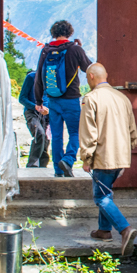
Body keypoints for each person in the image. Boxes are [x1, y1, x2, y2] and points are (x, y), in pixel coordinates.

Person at [78, 62, 137, 256]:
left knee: (101, 197)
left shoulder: (91, 99)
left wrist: (86, 158)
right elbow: (132, 130)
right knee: (106, 190)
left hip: (104, 156)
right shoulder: (122, 98)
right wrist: (129, 148)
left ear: (91, 77)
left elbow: (89, 133)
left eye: (87, 78)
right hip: (121, 155)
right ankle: (104, 231)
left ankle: (124, 229)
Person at [33, 20, 92, 178]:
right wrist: (80, 49)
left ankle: (58, 170)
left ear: (53, 33)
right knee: (75, 133)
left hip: (52, 100)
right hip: (71, 99)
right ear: (70, 32)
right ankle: (68, 159)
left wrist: (39, 101)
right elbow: (89, 68)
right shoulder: (75, 49)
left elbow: (39, 76)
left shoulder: (46, 50)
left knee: (57, 135)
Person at [18, 69, 50, 168]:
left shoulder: (53, 79)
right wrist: (35, 106)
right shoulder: (31, 77)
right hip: (32, 112)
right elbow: (22, 98)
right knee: (39, 133)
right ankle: (32, 165)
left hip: (47, 114)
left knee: (46, 140)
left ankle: (43, 166)